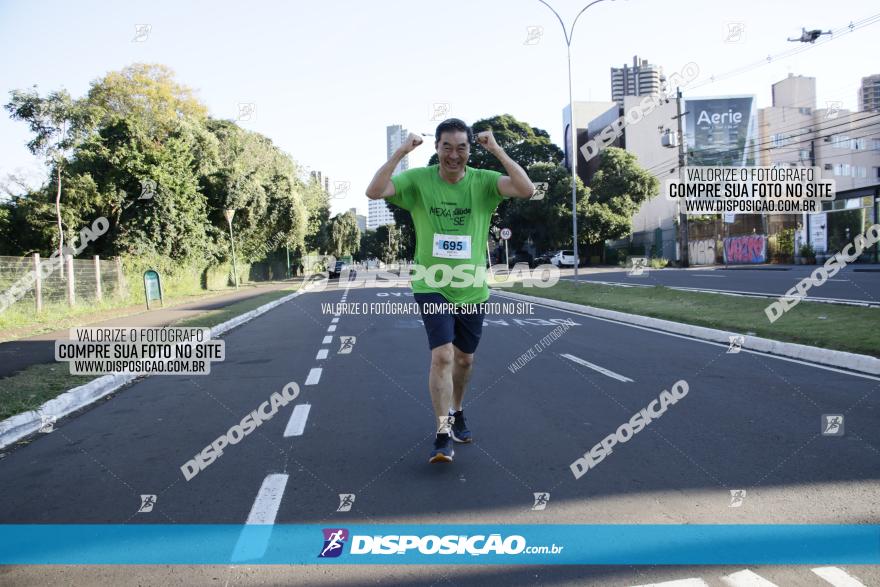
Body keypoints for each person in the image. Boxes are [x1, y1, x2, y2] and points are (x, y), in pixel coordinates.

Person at [366, 118, 536, 463]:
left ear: (470, 150)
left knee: (464, 359)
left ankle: (458, 411)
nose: (454, 155)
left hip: (472, 287)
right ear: (437, 148)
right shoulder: (418, 180)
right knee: (442, 355)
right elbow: (374, 191)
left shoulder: (484, 182)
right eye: (447, 147)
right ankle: (442, 432)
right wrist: (401, 151)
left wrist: (497, 150)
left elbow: (526, 189)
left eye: (462, 147)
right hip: (431, 283)